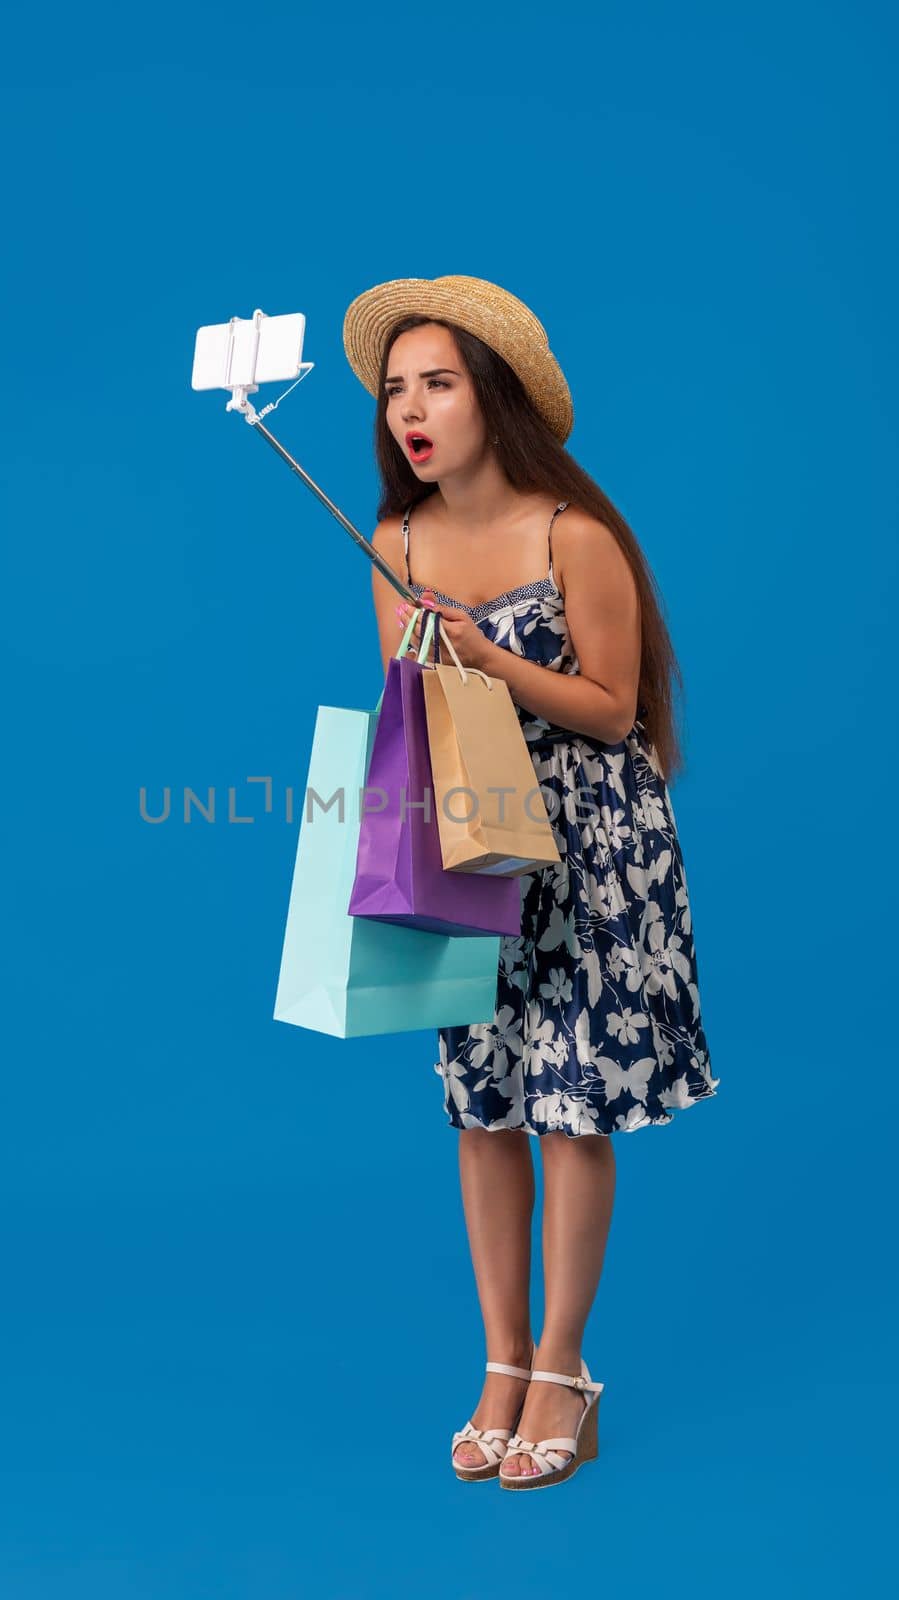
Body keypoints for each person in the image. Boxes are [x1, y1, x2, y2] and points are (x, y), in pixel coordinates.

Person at [341, 275, 720, 1491]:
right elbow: (417, 712)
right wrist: (429, 668)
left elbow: (612, 712)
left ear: (490, 399)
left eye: (436, 383)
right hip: (472, 840)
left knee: (568, 1107)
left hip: (593, 854)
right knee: (481, 1103)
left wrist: (488, 655)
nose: (410, 407)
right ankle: (499, 1363)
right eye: (396, 388)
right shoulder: (391, 543)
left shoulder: (574, 536)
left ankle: (562, 1369)